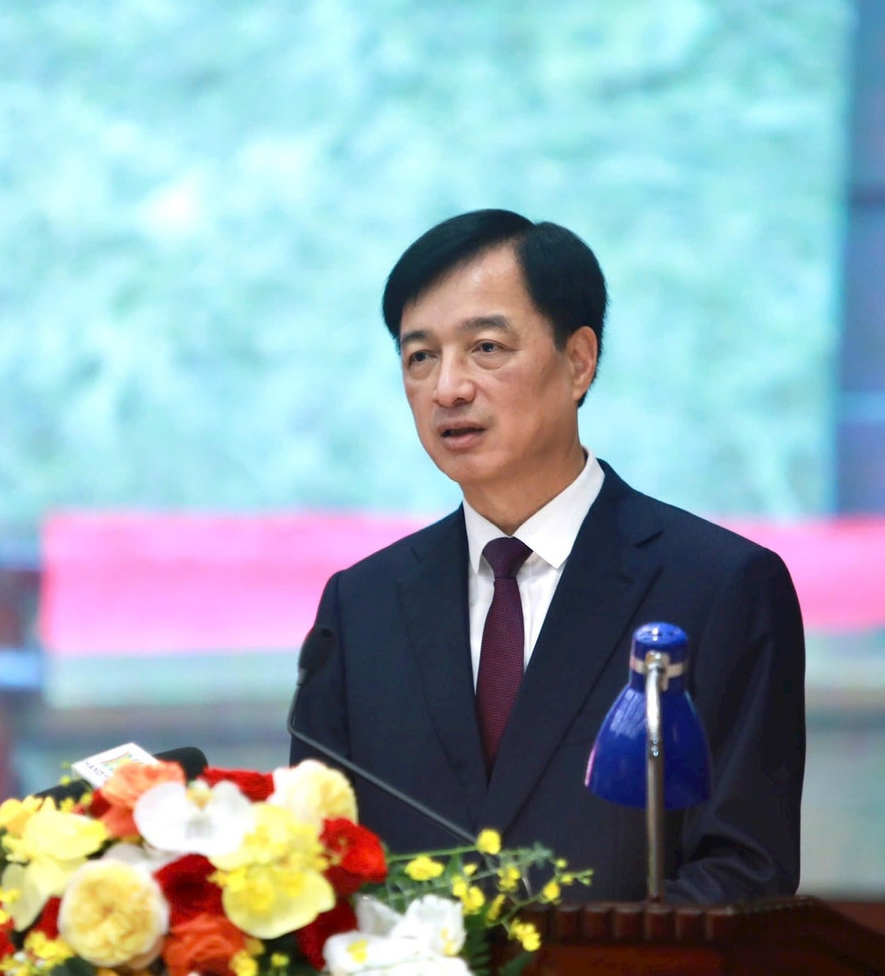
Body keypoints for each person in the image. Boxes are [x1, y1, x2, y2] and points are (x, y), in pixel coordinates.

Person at [291, 209, 805, 903]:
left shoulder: (719, 587)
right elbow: (316, 867)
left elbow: (744, 873)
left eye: (486, 347)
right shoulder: (362, 607)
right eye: (420, 357)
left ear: (578, 361)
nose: (448, 388)